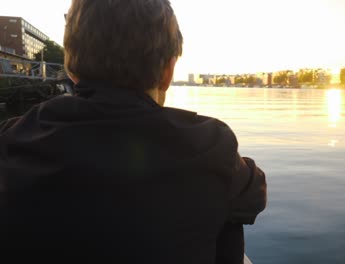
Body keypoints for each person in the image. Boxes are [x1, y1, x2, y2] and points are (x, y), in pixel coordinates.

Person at [0, 1, 267, 263]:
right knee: (228, 209)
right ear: (169, 71)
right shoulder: (212, 145)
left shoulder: (14, 139)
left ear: (70, 67)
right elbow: (254, 195)